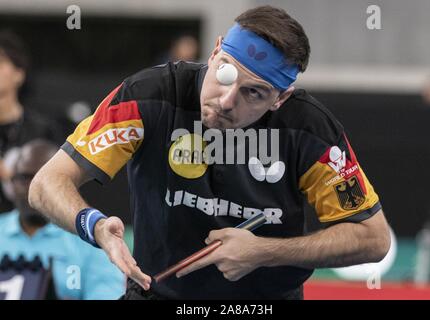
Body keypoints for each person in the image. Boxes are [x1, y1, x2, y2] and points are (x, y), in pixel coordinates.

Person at [29, 6, 391, 299]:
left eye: (255, 93)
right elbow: (45, 183)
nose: (226, 101)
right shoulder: (147, 97)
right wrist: (95, 227)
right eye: (226, 74)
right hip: (158, 293)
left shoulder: (311, 130)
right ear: (216, 50)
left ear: (281, 98)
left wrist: (262, 252)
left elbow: (373, 239)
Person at [0, 139, 125, 299]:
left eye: (43, 180)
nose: (33, 188)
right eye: (25, 178)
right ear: (11, 184)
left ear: (66, 187)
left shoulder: (93, 242)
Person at [0, 30, 62, 213]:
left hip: (28, 233)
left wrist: (9, 175)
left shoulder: (43, 130)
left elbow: (56, 190)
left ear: (19, 74)